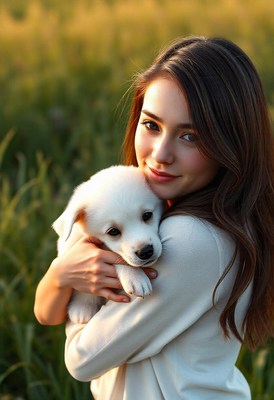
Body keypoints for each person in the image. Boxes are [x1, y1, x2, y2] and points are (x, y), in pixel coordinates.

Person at [34, 36, 274, 399]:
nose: (161, 154)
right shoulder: (175, 213)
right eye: (151, 125)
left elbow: (82, 359)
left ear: (231, 143)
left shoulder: (191, 239)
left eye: (190, 136)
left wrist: (76, 279)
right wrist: (62, 272)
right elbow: (48, 312)